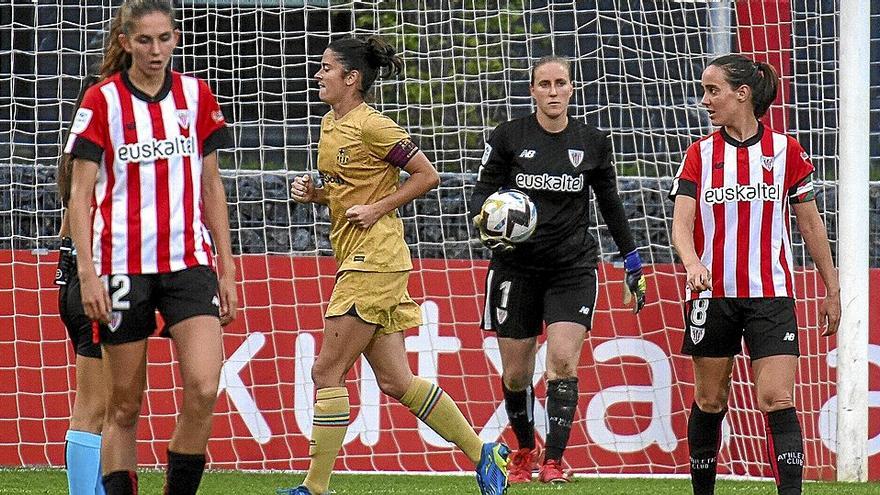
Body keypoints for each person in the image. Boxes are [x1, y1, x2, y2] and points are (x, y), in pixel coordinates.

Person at [279, 36, 509, 495]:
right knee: (395, 380)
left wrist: (379, 208)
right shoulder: (330, 124)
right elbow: (348, 188)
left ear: (352, 78)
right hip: (359, 257)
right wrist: (318, 194)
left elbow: (428, 175)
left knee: (326, 372)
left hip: (375, 260)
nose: (318, 74)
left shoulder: (375, 126)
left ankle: (315, 487)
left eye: (326, 68)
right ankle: (484, 452)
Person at [64, 1, 238, 493]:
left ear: (177, 38)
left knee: (204, 386)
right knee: (123, 404)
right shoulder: (102, 101)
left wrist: (226, 268)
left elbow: (211, 185)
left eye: (165, 39)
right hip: (120, 266)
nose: (156, 50)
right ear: (125, 43)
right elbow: (79, 196)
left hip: (188, 262)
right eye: (145, 40)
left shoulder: (194, 95)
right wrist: (88, 273)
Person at [469, 55, 648, 484]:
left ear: (571, 89)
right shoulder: (509, 136)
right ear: (532, 90)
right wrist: (489, 219)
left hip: (572, 268)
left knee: (563, 364)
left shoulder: (592, 141)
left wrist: (632, 260)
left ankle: (554, 461)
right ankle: (525, 451)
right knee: (516, 373)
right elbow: (481, 195)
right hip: (516, 267)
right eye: (543, 84)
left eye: (560, 83)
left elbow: (610, 205)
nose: (552, 91)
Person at [669, 54, 840, 495]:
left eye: (713, 90)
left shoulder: (786, 151)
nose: (705, 100)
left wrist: (832, 288)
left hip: (772, 295)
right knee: (710, 400)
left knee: (777, 399)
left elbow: (810, 224)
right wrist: (692, 263)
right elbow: (681, 225)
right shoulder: (699, 154)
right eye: (704, 90)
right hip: (712, 296)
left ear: (742, 93)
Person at [56, 74, 107, 495]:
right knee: (91, 409)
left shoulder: (74, 158)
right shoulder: (101, 160)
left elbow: (67, 226)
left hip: (74, 278)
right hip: (96, 284)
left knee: (107, 407)